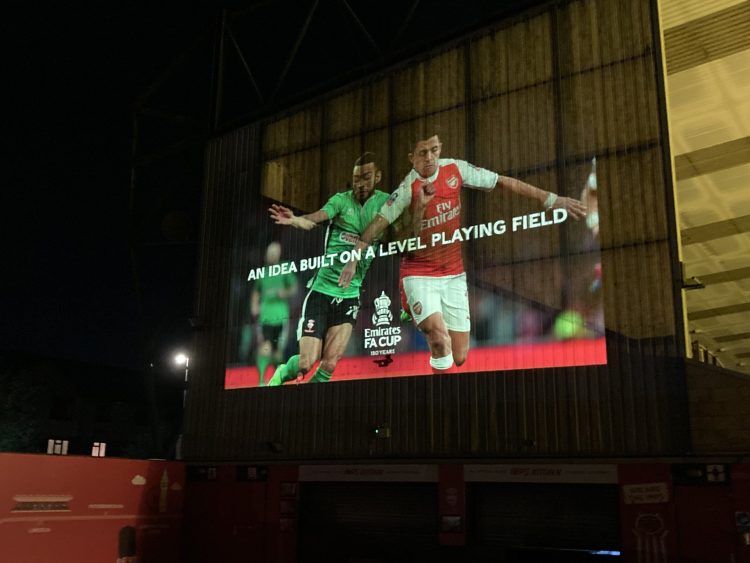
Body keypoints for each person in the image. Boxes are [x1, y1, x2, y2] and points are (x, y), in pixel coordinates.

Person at [339, 131, 587, 372]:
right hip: (419, 273)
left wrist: (551, 199)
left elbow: (501, 181)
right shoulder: (406, 191)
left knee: (459, 356)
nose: (429, 158)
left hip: (453, 274)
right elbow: (383, 232)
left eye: (434, 150)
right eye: (422, 153)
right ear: (411, 157)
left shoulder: (455, 170)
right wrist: (352, 261)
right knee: (439, 339)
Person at [267, 153, 390, 385]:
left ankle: (310, 402)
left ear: (378, 177)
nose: (360, 184)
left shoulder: (386, 202)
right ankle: (283, 372)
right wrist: (296, 219)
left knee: (330, 363)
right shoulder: (341, 201)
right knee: (306, 363)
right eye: (356, 179)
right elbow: (317, 218)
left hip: (350, 295)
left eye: (365, 177)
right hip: (321, 292)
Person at [249, 241, 298, 385]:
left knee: (277, 352)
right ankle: (261, 381)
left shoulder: (285, 267)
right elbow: (256, 292)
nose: (272, 255)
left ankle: (278, 379)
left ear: (279, 254)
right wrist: (254, 305)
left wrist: (284, 292)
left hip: (281, 317)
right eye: (270, 252)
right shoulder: (261, 272)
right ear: (266, 254)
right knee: (265, 347)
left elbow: (294, 287)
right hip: (265, 317)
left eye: (275, 252)